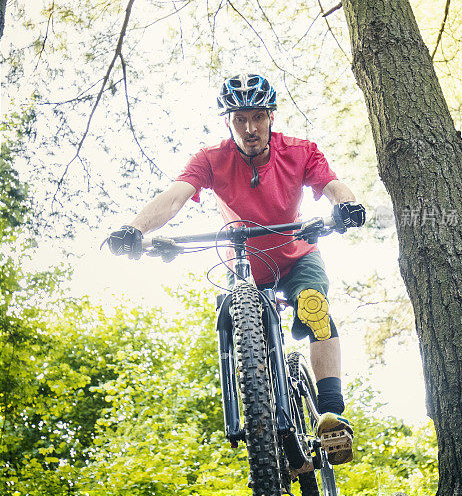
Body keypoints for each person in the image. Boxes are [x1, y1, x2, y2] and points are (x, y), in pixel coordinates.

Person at [107, 73, 365, 464]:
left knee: (314, 306)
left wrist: (346, 204)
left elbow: (331, 184)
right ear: (228, 121)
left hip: (297, 254)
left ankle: (332, 416)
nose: (249, 128)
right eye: (239, 118)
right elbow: (175, 197)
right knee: (246, 336)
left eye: (258, 117)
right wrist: (134, 228)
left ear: (271, 117)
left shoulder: (299, 151)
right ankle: (268, 425)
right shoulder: (211, 159)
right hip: (244, 263)